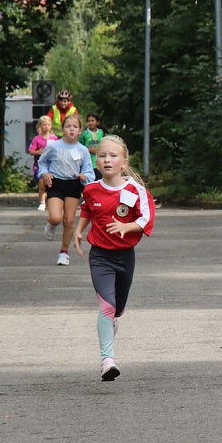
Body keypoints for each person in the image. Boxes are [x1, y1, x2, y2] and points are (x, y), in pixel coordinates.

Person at [76, 135, 155, 381]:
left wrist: (126, 227)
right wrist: (79, 230)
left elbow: (146, 218)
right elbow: (88, 208)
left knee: (118, 308)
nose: (107, 159)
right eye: (102, 156)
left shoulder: (135, 190)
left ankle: (112, 322)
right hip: (100, 256)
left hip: (125, 257)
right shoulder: (90, 190)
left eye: (113, 155)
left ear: (124, 161)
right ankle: (107, 361)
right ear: (96, 162)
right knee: (106, 307)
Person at [37, 113, 94, 266]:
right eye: (68, 126)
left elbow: (90, 171)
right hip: (56, 183)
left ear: (80, 131)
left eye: (75, 127)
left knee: (69, 221)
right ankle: (51, 224)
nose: (71, 129)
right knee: (56, 218)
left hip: (73, 184)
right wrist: (45, 173)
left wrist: (85, 176)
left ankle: (64, 252)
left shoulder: (83, 150)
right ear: (62, 130)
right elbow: (42, 162)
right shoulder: (53, 146)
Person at [26, 115, 58, 211]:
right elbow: (31, 151)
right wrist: (38, 152)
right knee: (42, 183)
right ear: (40, 126)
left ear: (51, 126)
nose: (46, 127)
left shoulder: (54, 138)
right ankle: (42, 202)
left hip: (52, 165)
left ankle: (52, 202)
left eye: (48, 124)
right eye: (44, 125)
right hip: (39, 165)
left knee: (52, 184)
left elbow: (59, 150)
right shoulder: (37, 139)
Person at [79, 113, 105, 180]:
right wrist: (88, 149)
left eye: (92, 120)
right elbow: (80, 147)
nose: (90, 123)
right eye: (89, 121)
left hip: (99, 162)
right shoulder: (84, 134)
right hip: (88, 162)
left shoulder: (101, 132)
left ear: (97, 122)